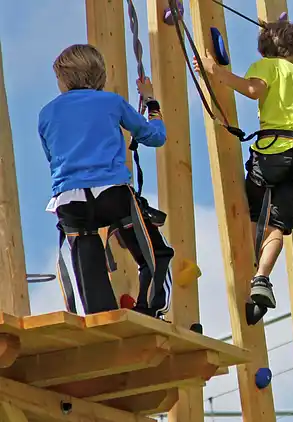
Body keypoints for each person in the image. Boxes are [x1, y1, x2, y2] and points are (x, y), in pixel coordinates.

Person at [193, 19, 293, 324]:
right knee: (278, 224)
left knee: (253, 210)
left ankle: (251, 264)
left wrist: (216, 72)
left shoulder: (269, 66)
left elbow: (253, 90)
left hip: (274, 152)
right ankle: (262, 277)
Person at [39, 44, 174, 318]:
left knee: (88, 266)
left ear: (64, 79)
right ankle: (149, 309)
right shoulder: (111, 102)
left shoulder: (47, 113)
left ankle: (101, 318)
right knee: (155, 253)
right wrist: (152, 104)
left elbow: (51, 156)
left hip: (69, 200)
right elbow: (154, 137)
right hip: (111, 194)